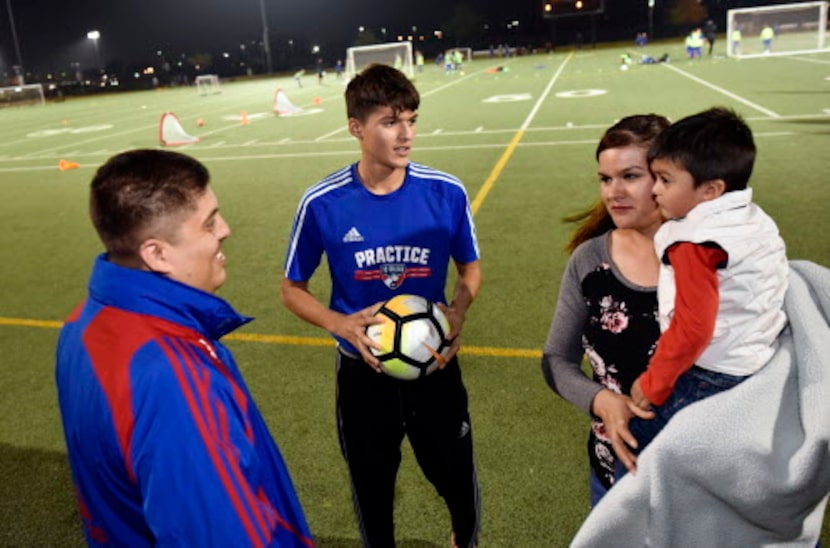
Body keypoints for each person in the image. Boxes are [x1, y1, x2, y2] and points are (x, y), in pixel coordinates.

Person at [56, 149, 314, 547]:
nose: (225, 229)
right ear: (157, 253)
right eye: (209, 223)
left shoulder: (81, 322)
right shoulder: (170, 373)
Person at [280, 63, 482, 548]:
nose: (406, 133)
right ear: (356, 127)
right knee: (373, 490)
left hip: (434, 368)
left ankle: (465, 539)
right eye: (391, 122)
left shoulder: (446, 191)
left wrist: (457, 309)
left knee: (455, 477)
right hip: (361, 375)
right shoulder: (323, 203)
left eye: (411, 119)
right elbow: (292, 287)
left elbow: (469, 267)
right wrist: (340, 324)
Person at [621, 107, 789, 474]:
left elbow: (693, 328)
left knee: (635, 453)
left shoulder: (696, 242)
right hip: (756, 363)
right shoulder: (751, 218)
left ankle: (628, 525)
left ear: (711, 190)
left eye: (665, 180)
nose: (655, 189)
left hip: (711, 374)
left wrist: (653, 385)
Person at [541, 114, 670, 505]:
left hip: (701, 474)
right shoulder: (590, 260)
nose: (614, 191)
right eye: (605, 178)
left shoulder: (707, 256)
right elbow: (556, 360)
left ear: (667, 177)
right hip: (616, 474)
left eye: (630, 176)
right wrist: (601, 401)